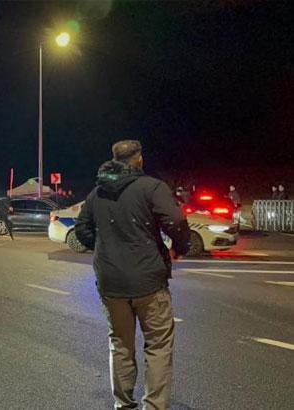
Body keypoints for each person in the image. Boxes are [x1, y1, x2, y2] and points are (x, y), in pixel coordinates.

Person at [75, 140, 190, 410]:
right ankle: (154, 406)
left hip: (111, 282)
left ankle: (123, 404)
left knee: (120, 344)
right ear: (139, 159)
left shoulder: (97, 193)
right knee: (158, 346)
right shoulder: (152, 187)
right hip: (148, 280)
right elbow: (176, 220)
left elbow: (82, 229)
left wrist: (105, 248)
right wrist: (179, 248)